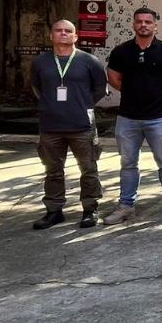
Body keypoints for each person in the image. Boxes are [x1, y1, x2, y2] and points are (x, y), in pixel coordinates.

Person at [104, 7, 162, 225]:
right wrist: (131, 92)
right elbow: (113, 77)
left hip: (158, 118)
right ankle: (126, 207)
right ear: (134, 24)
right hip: (127, 119)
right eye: (139, 21)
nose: (143, 25)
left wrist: (161, 94)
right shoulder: (122, 51)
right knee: (128, 164)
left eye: (148, 22)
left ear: (155, 25)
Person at [30, 20, 107, 229]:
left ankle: (90, 209)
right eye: (58, 30)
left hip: (82, 126)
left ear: (75, 36)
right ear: (51, 35)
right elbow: (37, 88)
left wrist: (81, 104)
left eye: (68, 31)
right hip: (50, 127)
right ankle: (54, 211)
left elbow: (100, 89)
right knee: (53, 171)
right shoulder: (40, 62)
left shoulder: (89, 61)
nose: (63, 33)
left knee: (88, 169)